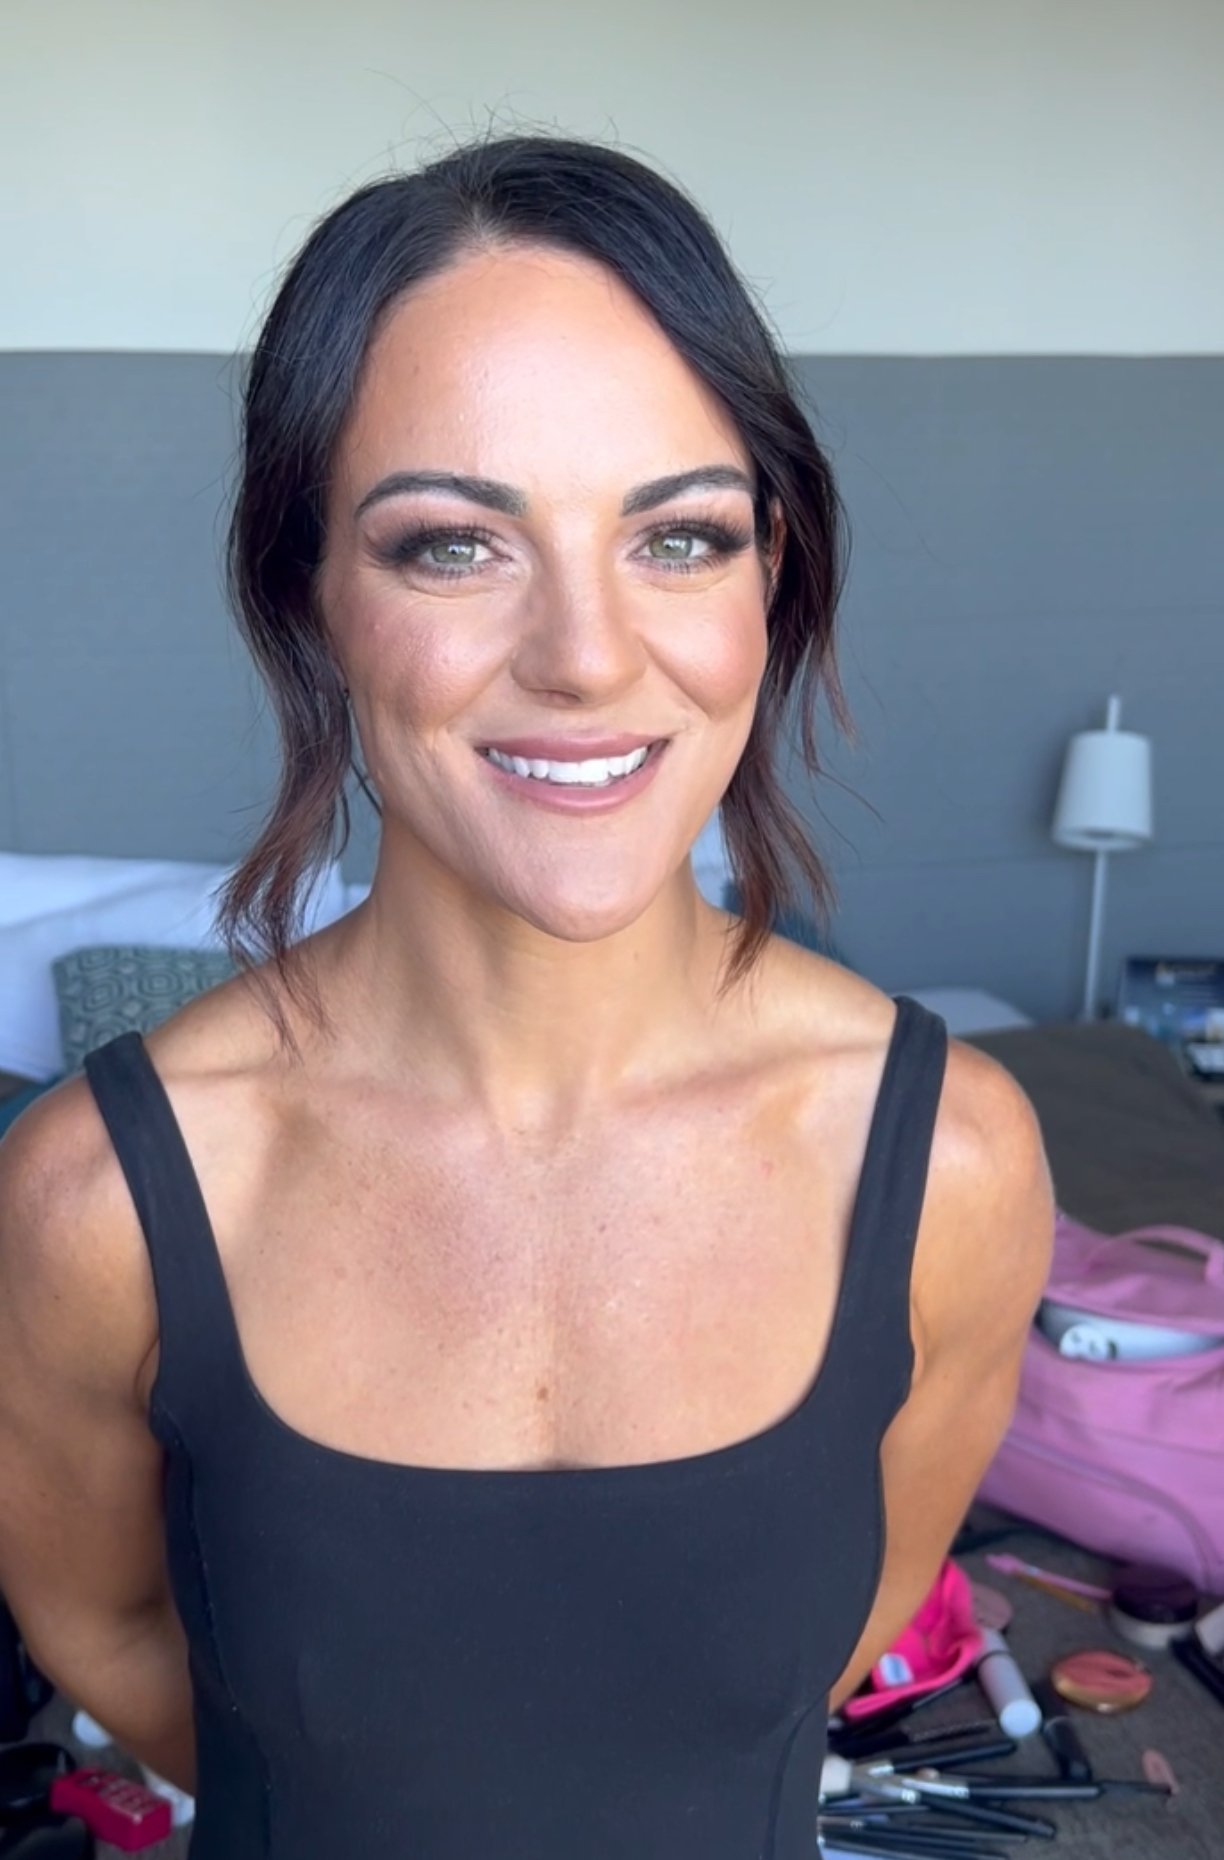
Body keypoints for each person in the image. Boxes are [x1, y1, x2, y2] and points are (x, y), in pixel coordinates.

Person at [0, 135, 1053, 1858]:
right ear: (307, 598)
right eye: (452, 547)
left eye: (680, 536)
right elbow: (104, 1633)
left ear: (771, 579)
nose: (585, 654)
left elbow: (840, 1635)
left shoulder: (953, 1164)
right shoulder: (91, 1197)